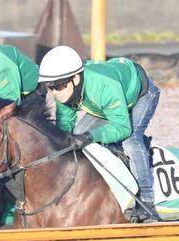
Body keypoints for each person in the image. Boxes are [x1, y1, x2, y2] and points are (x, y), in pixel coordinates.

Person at [38, 46, 161, 223]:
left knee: (130, 142)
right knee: (77, 135)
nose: (55, 93)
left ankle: (147, 202)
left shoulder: (103, 86)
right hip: (105, 104)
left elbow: (122, 128)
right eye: (50, 88)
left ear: (76, 78)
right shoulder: (65, 92)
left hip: (142, 95)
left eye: (59, 86)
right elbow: (65, 131)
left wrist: (91, 136)